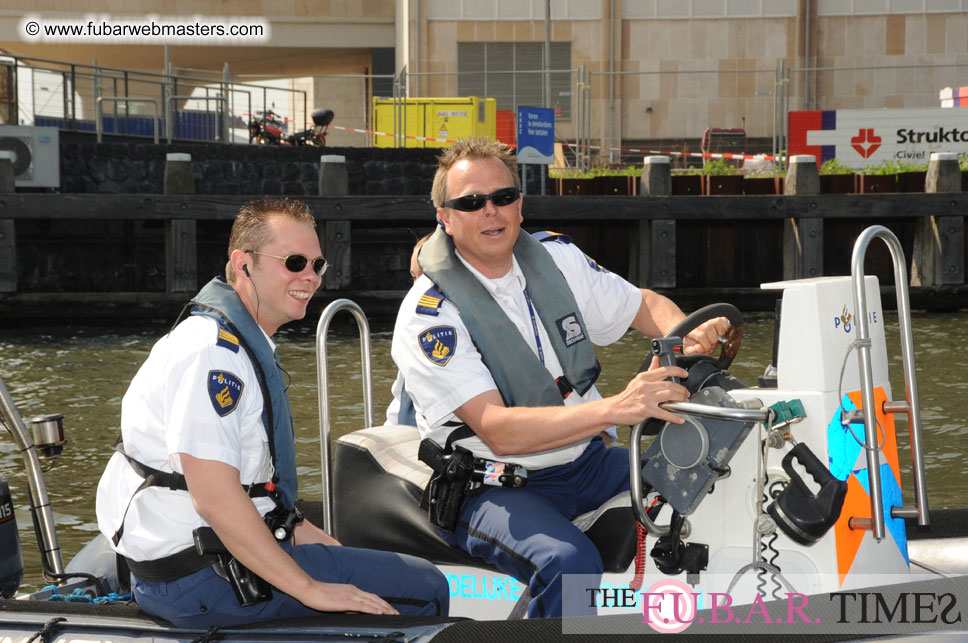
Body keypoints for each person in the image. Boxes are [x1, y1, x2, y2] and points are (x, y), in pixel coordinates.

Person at [390, 138, 729, 618]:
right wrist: (618, 408)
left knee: (707, 473)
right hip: (493, 485)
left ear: (520, 205)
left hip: (585, 463)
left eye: (503, 197)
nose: (490, 211)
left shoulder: (556, 259)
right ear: (444, 218)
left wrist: (686, 333)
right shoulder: (429, 316)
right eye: (471, 202)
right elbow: (497, 430)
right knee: (569, 564)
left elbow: (644, 306)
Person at [96, 197, 449, 628]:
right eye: (294, 262)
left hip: (203, 562)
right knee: (426, 586)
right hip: (199, 577)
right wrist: (311, 589)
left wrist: (338, 558)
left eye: (317, 265)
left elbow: (259, 497)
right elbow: (215, 498)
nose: (310, 277)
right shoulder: (212, 354)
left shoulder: (237, 344)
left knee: (376, 568)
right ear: (243, 264)